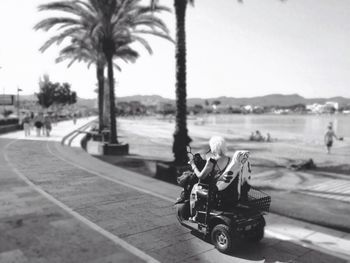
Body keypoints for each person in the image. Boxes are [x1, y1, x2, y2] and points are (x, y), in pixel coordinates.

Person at [189, 136, 231, 220]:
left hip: (213, 190)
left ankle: (195, 215)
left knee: (195, 188)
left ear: (213, 147)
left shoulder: (212, 161)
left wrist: (193, 165)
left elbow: (201, 176)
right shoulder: (229, 159)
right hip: (225, 188)